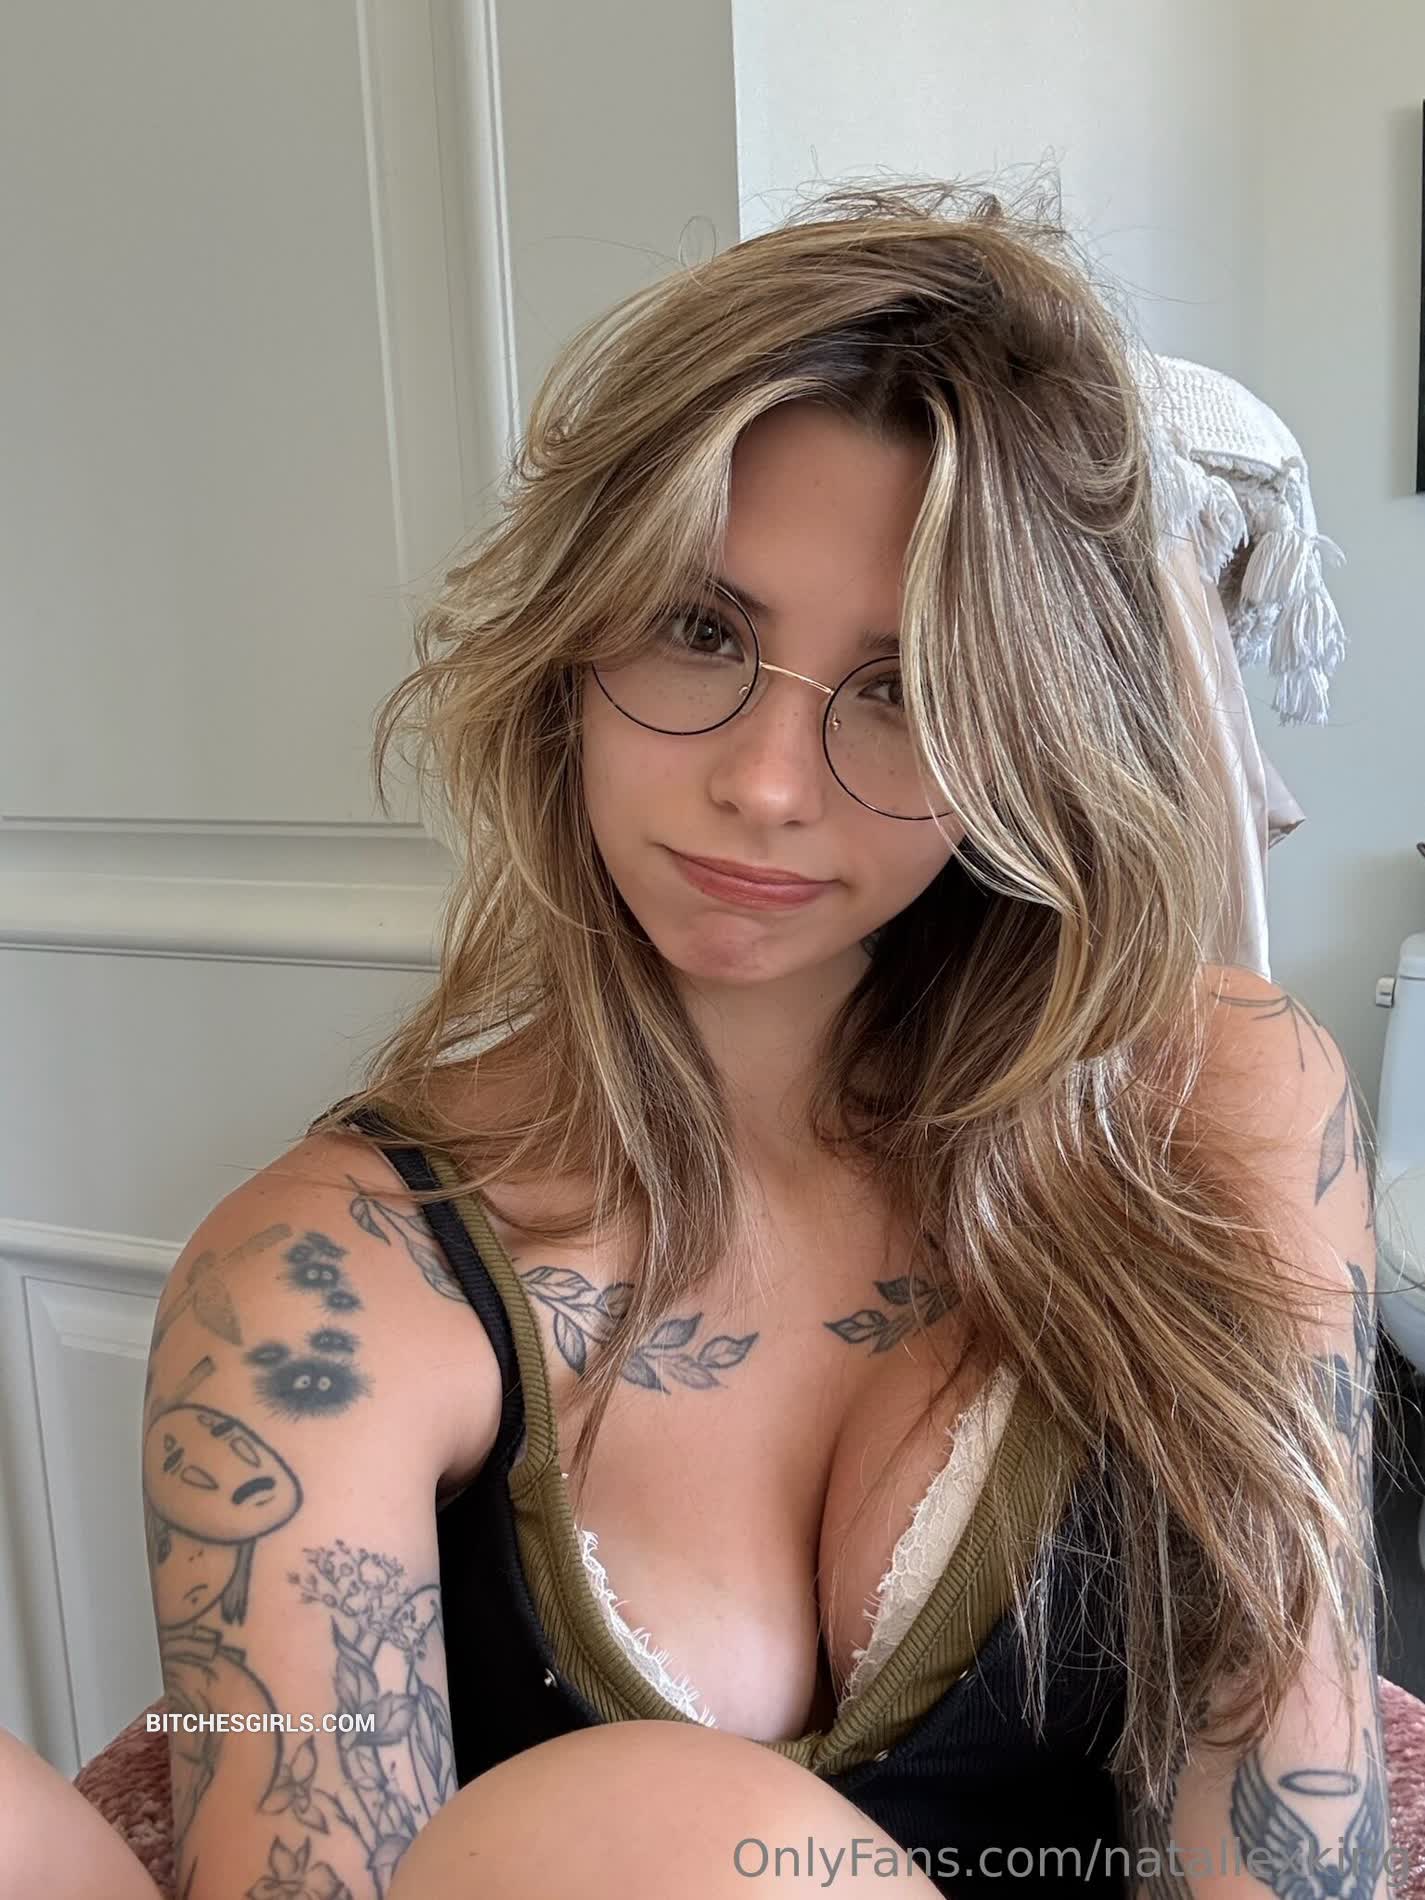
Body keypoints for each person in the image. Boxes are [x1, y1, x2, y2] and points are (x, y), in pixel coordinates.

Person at [3, 172, 1401, 1900]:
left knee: (661, 1828)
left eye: (907, 687)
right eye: (698, 629)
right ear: (568, 640)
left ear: (1025, 737)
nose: (764, 783)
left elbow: (1289, 1808)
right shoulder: (326, 1284)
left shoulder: (1213, 1100)